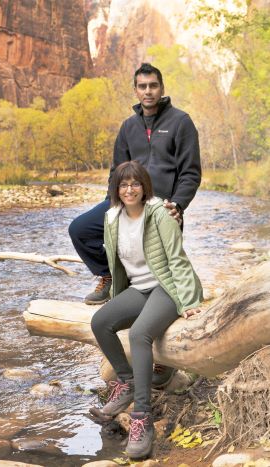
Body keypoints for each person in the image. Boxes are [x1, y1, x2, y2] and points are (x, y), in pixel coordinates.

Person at [89, 161, 203, 459]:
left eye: (135, 184)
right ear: (116, 189)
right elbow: (117, 266)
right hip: (139, 288)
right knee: (101, 321)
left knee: (140, 333)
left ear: (144, 187)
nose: (129, 189)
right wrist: (114, 297)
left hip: (167, 286)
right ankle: (126, 382)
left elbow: (177, 259)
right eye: (123, 185)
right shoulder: (111, 217)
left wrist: (189, 301)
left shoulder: (159, 214)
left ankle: (142, 418)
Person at [68, 62, 201, 306]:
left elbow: (190, 173)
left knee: (160, 270)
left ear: (161, 88)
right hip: (127, 200)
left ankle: (177, 299)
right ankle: (109, 276)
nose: (148, 91)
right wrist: (113, 202)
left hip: (162, 205)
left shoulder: (181, 122)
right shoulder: (129, 127)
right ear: (135, 90)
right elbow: (116, 171)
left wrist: (178, 205)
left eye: (153, 86)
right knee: (80, 229)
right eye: (142, 86)